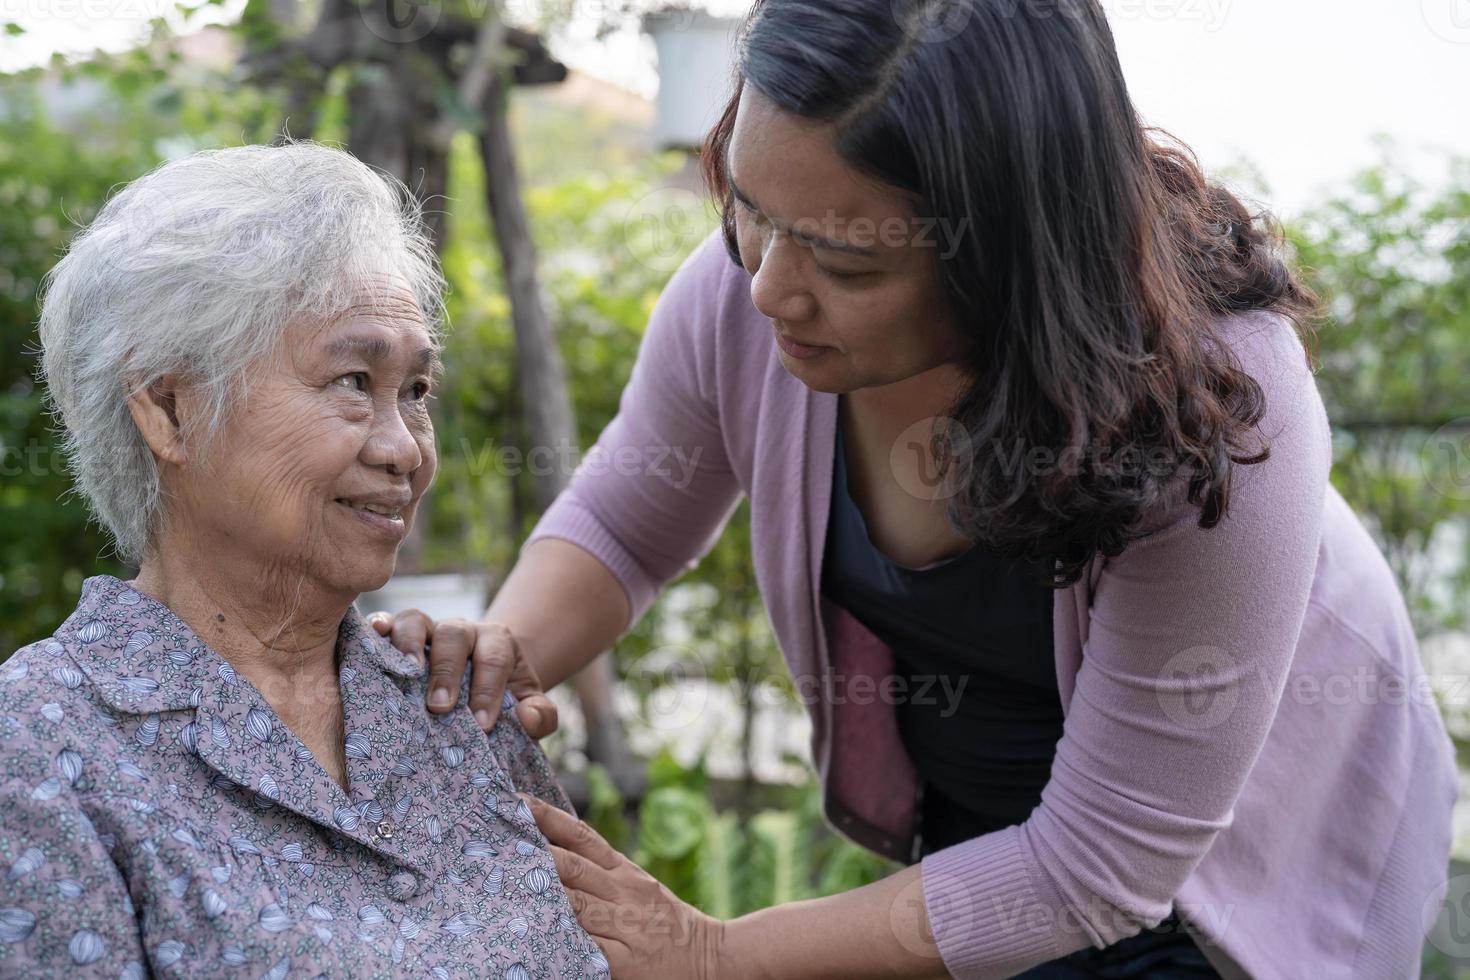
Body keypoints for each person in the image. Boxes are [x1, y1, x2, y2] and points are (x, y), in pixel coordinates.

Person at [374, 2, 1459, 978]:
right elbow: (620, 524)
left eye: (847, 263)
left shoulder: (1217, 404)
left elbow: (1102, 862)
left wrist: (715, 952)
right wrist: (488, 667)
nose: (767, 287)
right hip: (982, 840)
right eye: (751, 208)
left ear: (1011, 255)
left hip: (1226, 883)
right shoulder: (742, 293)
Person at [0, 142, 610, 979]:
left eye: (417, 392)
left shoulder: (456, 705)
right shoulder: (41, 750)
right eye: (354, 381)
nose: (404, 449)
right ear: (170, 411)